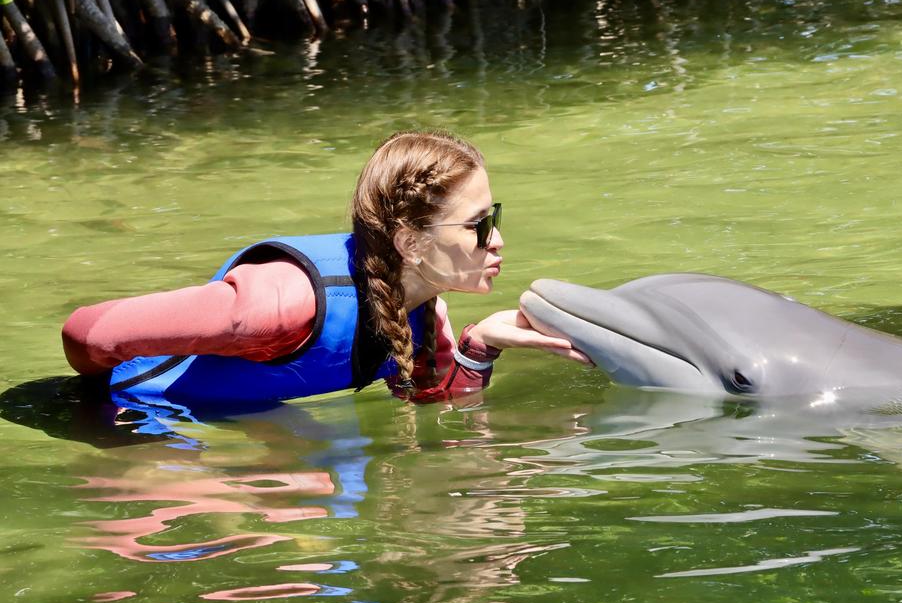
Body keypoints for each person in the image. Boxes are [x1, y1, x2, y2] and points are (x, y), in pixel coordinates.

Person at [62, 131, 588, 405]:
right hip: (127, 419)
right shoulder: (282, 303)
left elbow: (437, 401)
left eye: (492, 217)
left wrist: (483, 345)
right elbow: (89, 334)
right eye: (477, 224)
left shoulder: (421, 312)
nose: (496, 241)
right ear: (411, 242)